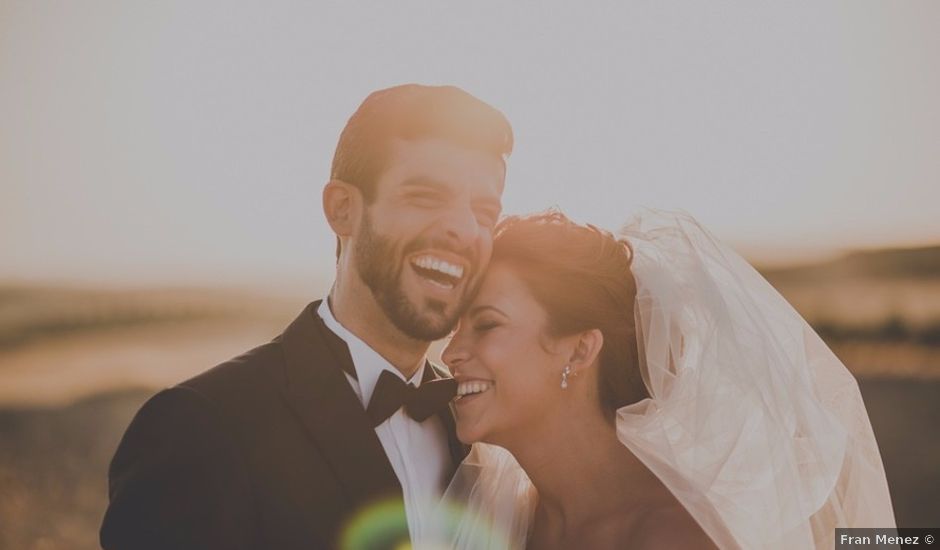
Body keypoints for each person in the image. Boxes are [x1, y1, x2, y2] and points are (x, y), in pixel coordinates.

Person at [100, 83, 513, 549]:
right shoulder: (200, 427)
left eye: (484, 211)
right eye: (425, 196)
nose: (463, 228)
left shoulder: (483, 432)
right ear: (343, 210)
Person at [430, 209, 896, 550]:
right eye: (455, 328)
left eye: (487, 324)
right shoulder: (501, 513)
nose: (451, 353)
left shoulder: (673, 537)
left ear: (580, 349)